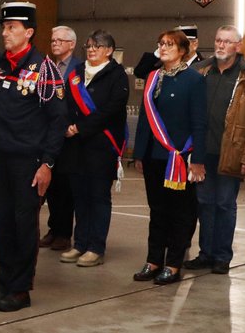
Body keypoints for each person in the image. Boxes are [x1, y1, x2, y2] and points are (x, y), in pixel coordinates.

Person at [0, 3, 67, 312]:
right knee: (2, 225)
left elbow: (57, 121)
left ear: (29, 32)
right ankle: (4, 283)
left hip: (29, 162)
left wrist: (48, 164)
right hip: (2, 159)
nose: (5, 33)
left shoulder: (44, 68)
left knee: (23, 226)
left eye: (12, 28)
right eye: (4, 28)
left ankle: (21, 289)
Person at [181, 25, 245, 275]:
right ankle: (205, 253)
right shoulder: (201, 71)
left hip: (232, 151)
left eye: (227, 42)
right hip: (201, 152)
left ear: (238, 46)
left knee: (225, 204)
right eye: (218, 40)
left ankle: (222, 256)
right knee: (204, 203)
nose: (220, 45)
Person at [132, 29, 207, 286]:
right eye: (161, 43)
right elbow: (144, 120)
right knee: (157, 210)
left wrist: (197, 158)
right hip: (154, 156)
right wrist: (139, 154)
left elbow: (199, 122)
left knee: (180, 212)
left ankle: (173, 263)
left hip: (179, 157)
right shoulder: (153, 77)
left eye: (170, 44)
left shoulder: (193, 80)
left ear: (183, 51)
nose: (163, 48)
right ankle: (154, 260)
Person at [57, 30, 129, 268]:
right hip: (75, 146)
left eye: (97, 46)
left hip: (101, 145)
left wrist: (80, 127)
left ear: (108, 50)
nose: (91, 50)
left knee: (98, 196)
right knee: (79, 196)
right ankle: (80, 243)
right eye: (88, 46)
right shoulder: (76, 73)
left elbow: (111, 110)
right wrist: (67, 125)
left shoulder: (116, 75)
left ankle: (95, 247)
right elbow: (65, 101)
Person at [41, 26, 81, 253]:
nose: (55, 43)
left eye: (60, 40)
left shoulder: (77, 69)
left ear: (72, 44)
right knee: (51, 187)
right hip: (48, 135)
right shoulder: (48, 67)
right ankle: (53, 229)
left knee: (65, 187)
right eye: (53, 40)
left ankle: (64, 233)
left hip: (68, 136)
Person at [134, 24, 201, 78]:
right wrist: (156, 55)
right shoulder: (166, 64)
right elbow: (140, 73)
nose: (178, 47)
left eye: (182, 44)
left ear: (195, 44)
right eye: (172, 44)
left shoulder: (205, 65)